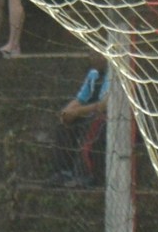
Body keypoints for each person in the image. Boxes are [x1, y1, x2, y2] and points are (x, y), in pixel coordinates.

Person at [46, 51, 110, 188]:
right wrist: (67, 111)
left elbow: (105, 104)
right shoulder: (93, 74)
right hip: (90, 112)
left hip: (107, 116)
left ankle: (88, 174)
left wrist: (77, 112)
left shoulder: (114, 75)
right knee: (64, 125)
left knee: (93, 126)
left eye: (97, 54)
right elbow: (80, 98)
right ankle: (64, 171)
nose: (93, 58)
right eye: (91, 54)